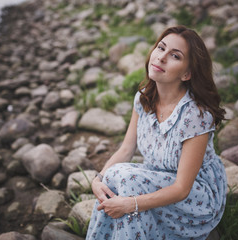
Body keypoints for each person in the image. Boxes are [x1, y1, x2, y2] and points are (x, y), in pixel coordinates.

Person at [86, 25, 227, 240]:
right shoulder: (144, 99)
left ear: (187, 73)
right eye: (160, 48)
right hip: (159, 181)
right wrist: (98, 180)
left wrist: (130, 204)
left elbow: (181, 188)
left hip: (195, 200)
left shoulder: (196, 115)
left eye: (175, 56)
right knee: (114, 180)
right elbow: (125, 150)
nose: (161, 58)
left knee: (125, 181)